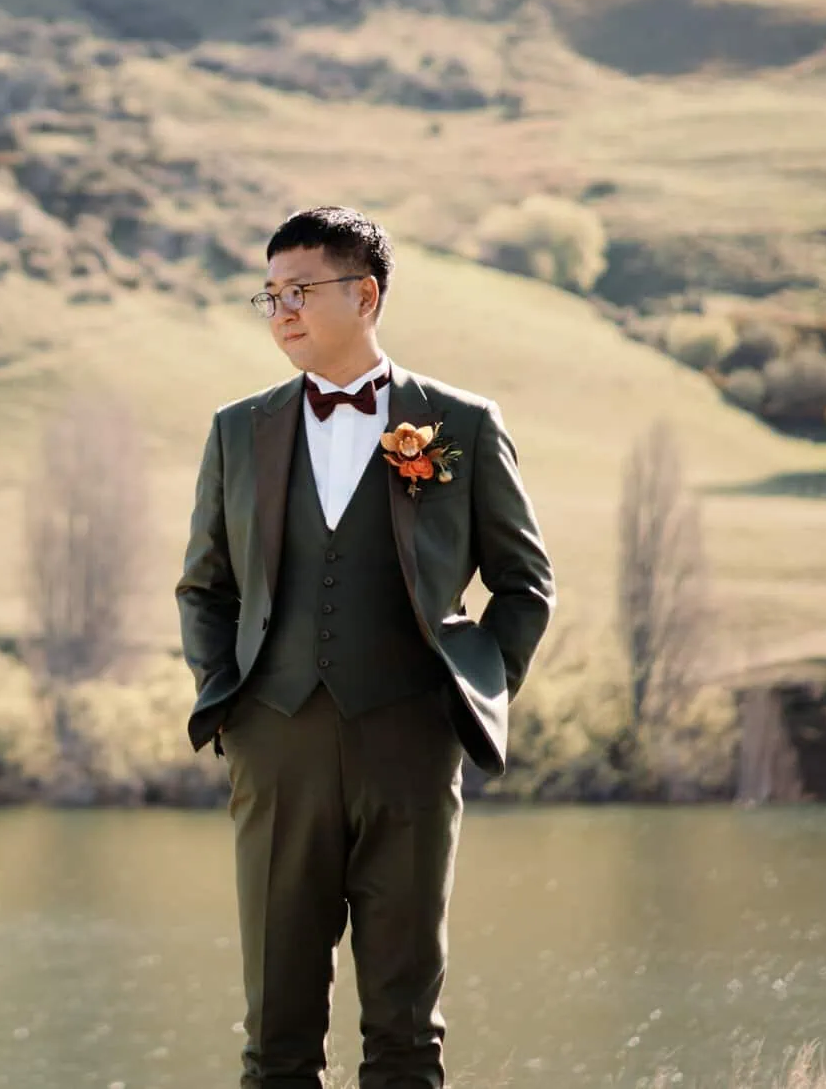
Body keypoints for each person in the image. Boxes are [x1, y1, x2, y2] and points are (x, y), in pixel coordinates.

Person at [176, 207, 553, 1089]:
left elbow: (524, 583)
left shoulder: (460, 421)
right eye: (268, 297)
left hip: (411, 750)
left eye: (299, 291)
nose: (282, 312)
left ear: (367, 294)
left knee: (405, 1029)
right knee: (275, 1033)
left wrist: (467, 693)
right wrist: (230, 706)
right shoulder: (239, 430)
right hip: (275, 748)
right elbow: (205, 588)